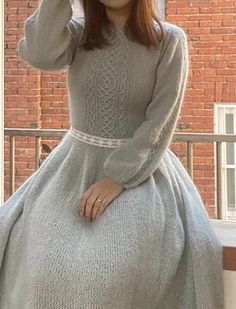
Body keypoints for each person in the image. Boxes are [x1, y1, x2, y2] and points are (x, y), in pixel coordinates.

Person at [0, 0, 224, 308]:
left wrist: (117, 178)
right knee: (43, 268)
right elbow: (39, 54)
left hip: (139, 173)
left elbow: (160, 121)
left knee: (108, 276)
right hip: (70, 170)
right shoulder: (78, 35)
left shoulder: (169, 40)